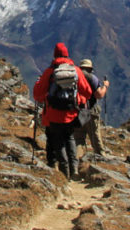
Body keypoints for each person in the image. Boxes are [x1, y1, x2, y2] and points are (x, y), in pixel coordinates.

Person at [32, 42, 93, 179]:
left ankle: (64, 171)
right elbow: (88, 92)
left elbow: (37, 95)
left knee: (57, 141)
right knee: (70, 138)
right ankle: (74, 169)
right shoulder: (76, 70)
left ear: (55, 55)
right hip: (71, 113)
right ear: (67, 54)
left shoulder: (50, 72)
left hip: (53, 114)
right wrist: (78, 100)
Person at [73, 59, 109, 156]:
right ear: (90, 69)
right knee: (95, 136)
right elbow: (99, 95)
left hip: (78, 111)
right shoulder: (92, 78)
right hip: (91, 111)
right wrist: (105, 86)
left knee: (79, 138)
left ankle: (77, 161)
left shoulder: (75, 77)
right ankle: (101, 156)